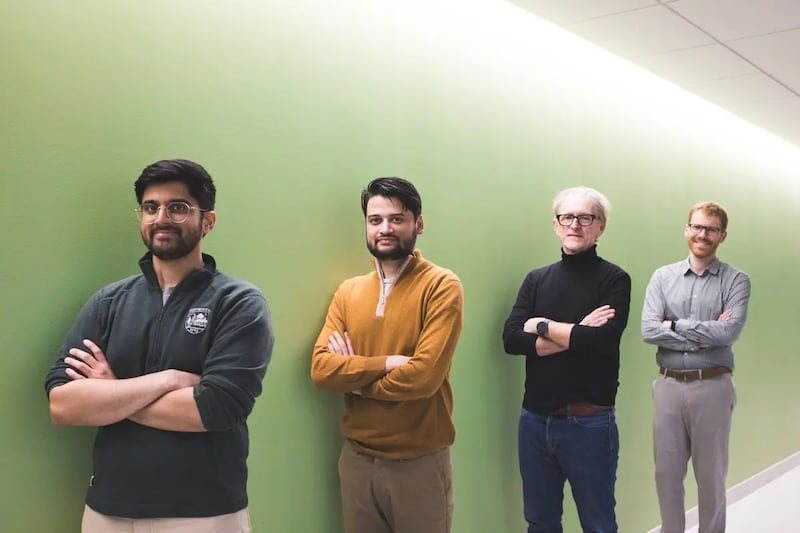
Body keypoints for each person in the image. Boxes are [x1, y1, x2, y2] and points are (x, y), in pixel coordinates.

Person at [45, 159, 274, 533]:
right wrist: (166, 380)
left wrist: (108, 395)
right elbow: (63, 405)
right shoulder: (109, 301)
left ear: (208, 221)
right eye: (151, 207)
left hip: (203, 512)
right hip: (107, 510)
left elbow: (213, 410)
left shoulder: (239, 303)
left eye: (178, 207)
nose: (161, 217)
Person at [310, 177, 464, 533]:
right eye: (375, 220)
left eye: (397, 219)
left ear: (418, 224)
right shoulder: (348, 292)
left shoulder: (441, 286)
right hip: (356, 461)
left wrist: (355, 382)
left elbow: (423, 378)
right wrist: (384, 364)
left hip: (419, 463)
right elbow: (321, 370)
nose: (385, 228)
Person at [503, 186, 631, 533]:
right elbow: (512, 339)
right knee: (540, 522)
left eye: (585, 217)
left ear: (600, 227)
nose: (575, 224)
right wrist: (576, 333)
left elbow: (601, 341)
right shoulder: (537, 279)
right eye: (567, 217)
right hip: (534, 421)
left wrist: (542, 326)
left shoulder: (615, 279)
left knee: (598, 523)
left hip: (588, 423)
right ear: (556, 225)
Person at [642, 201, 750, 533]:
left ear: (722, 235)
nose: (702, 234)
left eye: (711, 229)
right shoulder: (663, 277)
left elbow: (729, 331)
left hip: (713, 387)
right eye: (697, 226)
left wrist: (673, 326)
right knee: (666, 474)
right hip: (668, 387)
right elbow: (648, 330)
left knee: (711, 476)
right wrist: (706, 330)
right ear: (687, 229)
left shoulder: (736, 281)